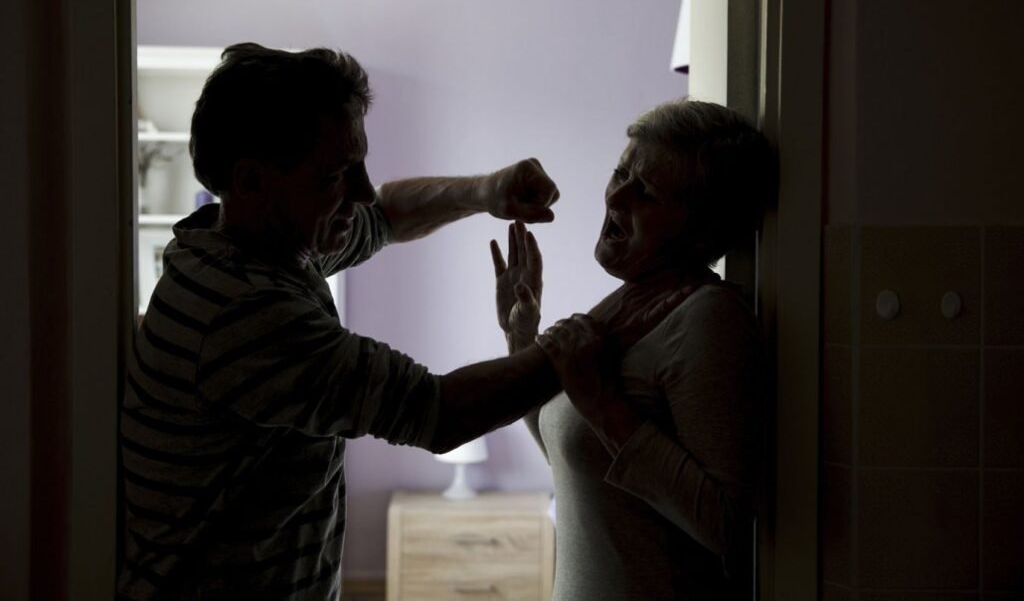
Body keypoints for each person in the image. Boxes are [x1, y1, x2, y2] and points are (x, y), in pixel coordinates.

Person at [119, 43, 677, 600]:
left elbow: (386, 213)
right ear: (251, 182)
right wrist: (611, 320)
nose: (361, 190)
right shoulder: (244, 311)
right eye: (337, 174)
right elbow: (441, 412)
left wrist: (486, 191)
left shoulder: (244, 244)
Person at [491, 98, 776, 600]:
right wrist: (520, 336)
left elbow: (727, 525)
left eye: (645, 192)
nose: (616, 197)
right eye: (621, 174)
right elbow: (572, 457)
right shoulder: (629, 301)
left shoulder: (711, 319)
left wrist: (603, 403)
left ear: (699, 230)